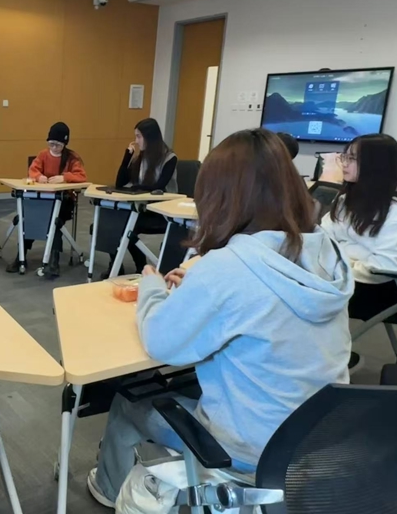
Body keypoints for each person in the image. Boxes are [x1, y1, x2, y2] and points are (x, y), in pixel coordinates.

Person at [88, 129, 353, 507]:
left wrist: (151, 287)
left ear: (222, 197)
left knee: (129, 402)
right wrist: (200, 285)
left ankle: (107, 487)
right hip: (321, 442)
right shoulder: (326, 253)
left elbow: (161, 341)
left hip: (250, 449)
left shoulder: (227, 267)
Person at [321, 133, 397, 322]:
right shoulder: (346, 200)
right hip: (344, 277)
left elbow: (384, 267)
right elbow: (324, 237)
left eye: (352, 158)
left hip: (380, 288)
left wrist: (339, 261)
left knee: (296, 294)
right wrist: (350, 258)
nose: (344, 164)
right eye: (344, 156)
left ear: (375, 165)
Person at [6, 122, 87, 277]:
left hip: (63, 201)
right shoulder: (43, 155)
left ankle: (54, 261)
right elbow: (33, 170)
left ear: (65, 143)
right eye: (51, 144)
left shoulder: (72, 158)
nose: (54, 148)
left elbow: (82, 176)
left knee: (54, 222)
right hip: (43, 200)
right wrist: (39, 177)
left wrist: (64, 178)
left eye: (58, 145)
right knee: (31, 219)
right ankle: (21, 257)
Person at [108, 118, 178, 276]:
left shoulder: (169, 158)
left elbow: (159, 186)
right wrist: (127, 156)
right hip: (141, 208)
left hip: (161, 212)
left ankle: (140, 265)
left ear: (149, 137)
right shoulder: (140, 159)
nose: (136, 141)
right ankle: (118, 266)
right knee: (111, 223)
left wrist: (137, 188)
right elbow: (120, 183)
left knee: (124, 226)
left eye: (139, 136)